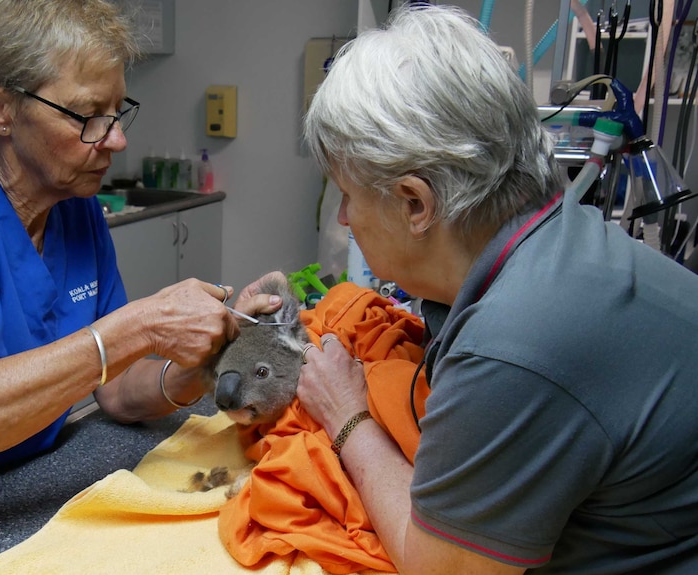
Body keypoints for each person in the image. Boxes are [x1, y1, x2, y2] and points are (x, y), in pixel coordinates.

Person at [0, 0, 280, 537]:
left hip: (14, 482)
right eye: (87, 116)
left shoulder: (73, 203)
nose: (116, 139)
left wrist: (209, 356)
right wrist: (137, 326)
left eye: (118, 112)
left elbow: (116, 391)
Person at [297, 4, 698, 574]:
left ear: (415, 203)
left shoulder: (515, 344)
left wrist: (346, 417)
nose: (343, 219)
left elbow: (439, 569)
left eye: (347, 194)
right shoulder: (563, 242)